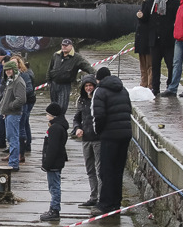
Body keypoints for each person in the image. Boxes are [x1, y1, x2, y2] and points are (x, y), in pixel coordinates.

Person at [90, 67, 132, 216]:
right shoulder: (123, 89)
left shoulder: (100, 91)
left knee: (106, 170)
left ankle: (106, 204)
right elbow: (129, 110)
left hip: (109, 136)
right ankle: (116, 202)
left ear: (98, 79)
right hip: (125, 134)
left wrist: (99, 132)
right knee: (118, 170)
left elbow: (98, 116)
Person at [72, 75, 101, 208]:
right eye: (86, 86)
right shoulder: (82, 101)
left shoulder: (98, 100)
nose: (88, 88)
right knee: (90, 170)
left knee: (99, 169)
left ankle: (101, 197)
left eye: (91, 85)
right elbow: (77, 118)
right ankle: (93, 196)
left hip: (97, 140)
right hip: (86, 140)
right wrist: (77, 128)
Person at [46, 38, 95, 115]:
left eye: (66, 45)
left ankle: (60, 121)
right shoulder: (56, 55)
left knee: (62, 107)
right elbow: (50, 68)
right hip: (54, 84)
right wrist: (48, 80)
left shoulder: (76, 57)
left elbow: (87, 66)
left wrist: (95, 75)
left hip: (65, 85)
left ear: (71, 46)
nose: (64, 47)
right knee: (53, 107)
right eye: (63, 45)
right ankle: (53, 123)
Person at [149, 0, 179, 95]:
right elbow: (145, 19)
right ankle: (155, 87)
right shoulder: (151, 3)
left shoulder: (174, 3)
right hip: (155, 41)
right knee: (155, 65)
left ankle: (170, 85)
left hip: (168, 41)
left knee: (171, 64)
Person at [39, 102, 68, 222]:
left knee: (54, 187)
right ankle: (53, 208)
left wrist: (47, 164)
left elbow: (52, 148)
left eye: (48, 114)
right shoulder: (59, 126)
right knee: (54, 186)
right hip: (57, 161)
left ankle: (54, 209)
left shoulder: (55, 129)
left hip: (54, 163)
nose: (46, 116)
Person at [0, 60, 26, 171]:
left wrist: (9, 106)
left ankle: (14, 164)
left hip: (13, 114)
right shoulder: (10, 80)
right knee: (10, 138)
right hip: (8, 114)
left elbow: (21, 99)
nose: (8, 72)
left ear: (14, 70)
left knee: (13, 138)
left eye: (10, 70)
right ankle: (13, 161)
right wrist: (3, 108)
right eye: (6, 70)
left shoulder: (18, 82)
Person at [11, 55, 35, 161]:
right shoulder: (9, 75)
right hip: (11, 105)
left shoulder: (24, 75)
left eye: (15, 64)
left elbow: (30, 89)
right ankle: (13, 151)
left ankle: (21, 153)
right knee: (12, 130)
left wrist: (19, 96)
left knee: (21, 127)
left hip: (22, 104)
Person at [134, 0, 154, 88]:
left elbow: (146, 19)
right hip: (142, 39)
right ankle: (145, 82)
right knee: (143, 63)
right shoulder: (146, 4)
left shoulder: (151, 4)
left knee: (148, 63)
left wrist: (141, 16)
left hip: (147, 39)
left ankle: (148, 83)